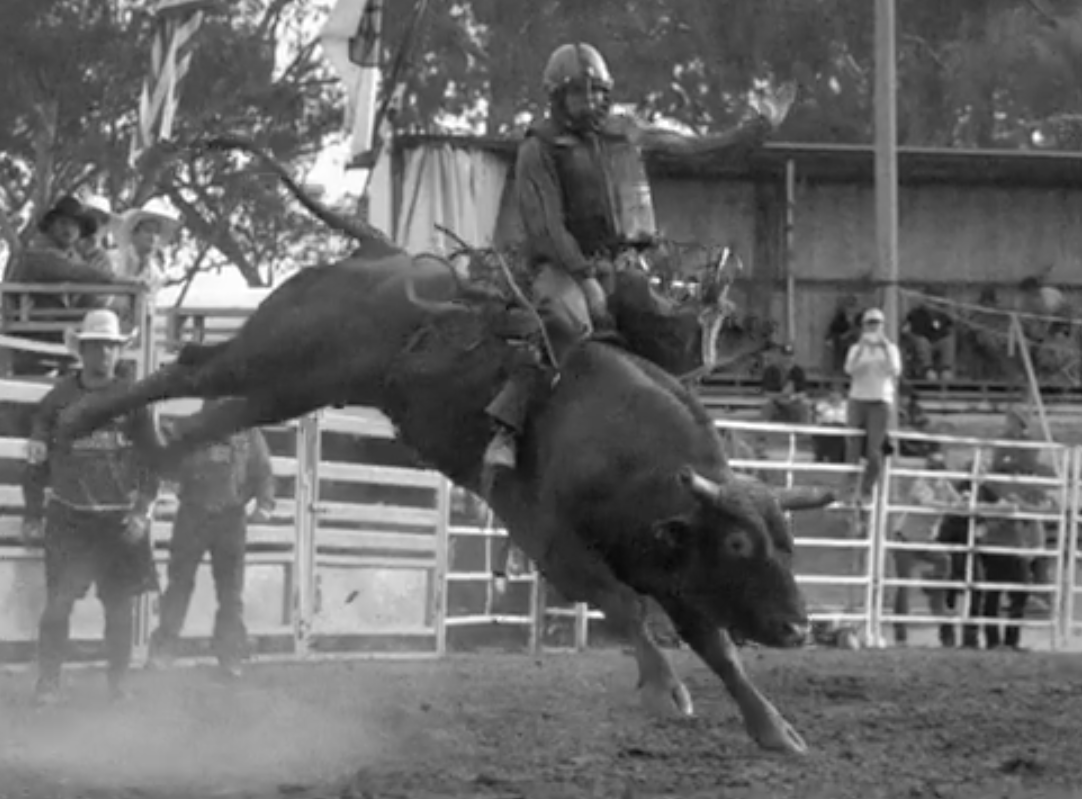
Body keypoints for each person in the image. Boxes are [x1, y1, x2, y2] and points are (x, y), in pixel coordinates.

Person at [481, 42, 794, 485]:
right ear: (557, 97)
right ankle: (508, 432)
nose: (590, 103)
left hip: (626, 264)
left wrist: (755, 130)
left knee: (672, 329)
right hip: (566, 266)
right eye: (579, 94)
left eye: (597, 93)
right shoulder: (539, 148)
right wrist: (585, 279)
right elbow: (546, 227)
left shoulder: (625, 132)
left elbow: (695, 147)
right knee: (557, 323)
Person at [21, 309, 161, 704]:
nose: (104, 354)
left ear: (119, 352)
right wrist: (33, 513)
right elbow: (36, 461)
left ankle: (118, 683)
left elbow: (154, 460)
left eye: (111, 347)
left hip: (117, 519)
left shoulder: (132, 401)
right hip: (69, 517)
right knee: (58, 605)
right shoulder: (57, 401)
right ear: (81, 350)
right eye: (96, 346)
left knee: (118, 609)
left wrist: (142, 511)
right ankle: (48, 682)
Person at [148, 402, 275, 679]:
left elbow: (263, 469)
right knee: (179, 584)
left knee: (230, 592)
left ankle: (230, 655)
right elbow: (166, 465)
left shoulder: (247, 432)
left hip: (230, 516)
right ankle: (164, 649)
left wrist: (264, 505)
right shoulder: (188, 428)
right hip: (193, 513)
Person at [4, 196, 136, 376]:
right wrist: (117, 280)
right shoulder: (36, 255)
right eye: (63, 223)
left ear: (81, 231)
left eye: (75, 225)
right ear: (51, 226)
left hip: (66, 338)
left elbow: (82, 276)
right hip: (33, 339)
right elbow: (71, 271)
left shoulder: (80, 257)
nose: (68, 229)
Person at [890, 450, 959, 645]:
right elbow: (927, 502)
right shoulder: (921, 483)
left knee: (944, 560)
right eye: (932, 468)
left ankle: (932, 590)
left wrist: (961, 501)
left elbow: (957, 502)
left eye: (938, 468)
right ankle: (900, 634)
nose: (935, 472)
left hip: (925, 540)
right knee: (904, 586)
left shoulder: (944, 484)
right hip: (906, 539)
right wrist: (950, 506)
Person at [844, 307, 902, 501]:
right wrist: (862, 348)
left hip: (880, 401)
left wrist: (884, 347)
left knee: (874, 450)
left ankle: (867, 489)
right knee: (852, 444)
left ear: (883, 325)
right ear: (863, 326)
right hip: (858, 399)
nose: (873, 327)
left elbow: (895, 370)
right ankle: (850, 488)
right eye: (870, 323)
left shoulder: (891, 349)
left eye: (877, 323)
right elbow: (850, 369)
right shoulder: (855, 349)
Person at [903, 289, 955, 380]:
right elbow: (907, 329)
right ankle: (927, 369)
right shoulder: (916, 313)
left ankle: (946, 369)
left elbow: (949, 328)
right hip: (921, 341)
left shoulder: (942, 315)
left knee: (948, 341)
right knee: (923, 342)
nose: (933, 304)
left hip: (937, 341)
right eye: (931, 301)